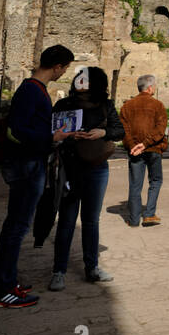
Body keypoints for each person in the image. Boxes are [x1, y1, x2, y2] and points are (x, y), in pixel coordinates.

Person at [0, 44, 75, 308]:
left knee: (16, 226)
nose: (64, 73)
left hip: (30, 164)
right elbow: (17, 131)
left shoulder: (35, 90)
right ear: (57, 66)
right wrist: (52, 137)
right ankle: (2, 289)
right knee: (16, 227)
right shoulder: (30, 91)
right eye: (65, 68)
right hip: (26, 166)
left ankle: (7, 280)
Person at [48, 67, 124, 289]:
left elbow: (119, 131)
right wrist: (71, 136)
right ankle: (59, 271)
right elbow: (52, 134)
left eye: (86, 78)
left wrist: (103, 133)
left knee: (91, 220)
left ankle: (92, 267)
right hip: (70, 166)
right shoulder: (64, 105)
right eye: (79, 77)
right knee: (67, 220)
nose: (81, 80)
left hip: (96, 166)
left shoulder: (105, 106)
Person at [121, 74, 168, 227]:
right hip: (153, 148)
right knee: (155, 180)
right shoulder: (158, 105)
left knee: (135, 184)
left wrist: (133, 145)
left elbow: (124, 130)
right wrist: (146, 143)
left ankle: (134, 219)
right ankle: (149, 214)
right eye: (154, 86)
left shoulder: (126, 106)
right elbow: (160, 130)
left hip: (135, 151)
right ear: (150, 87)